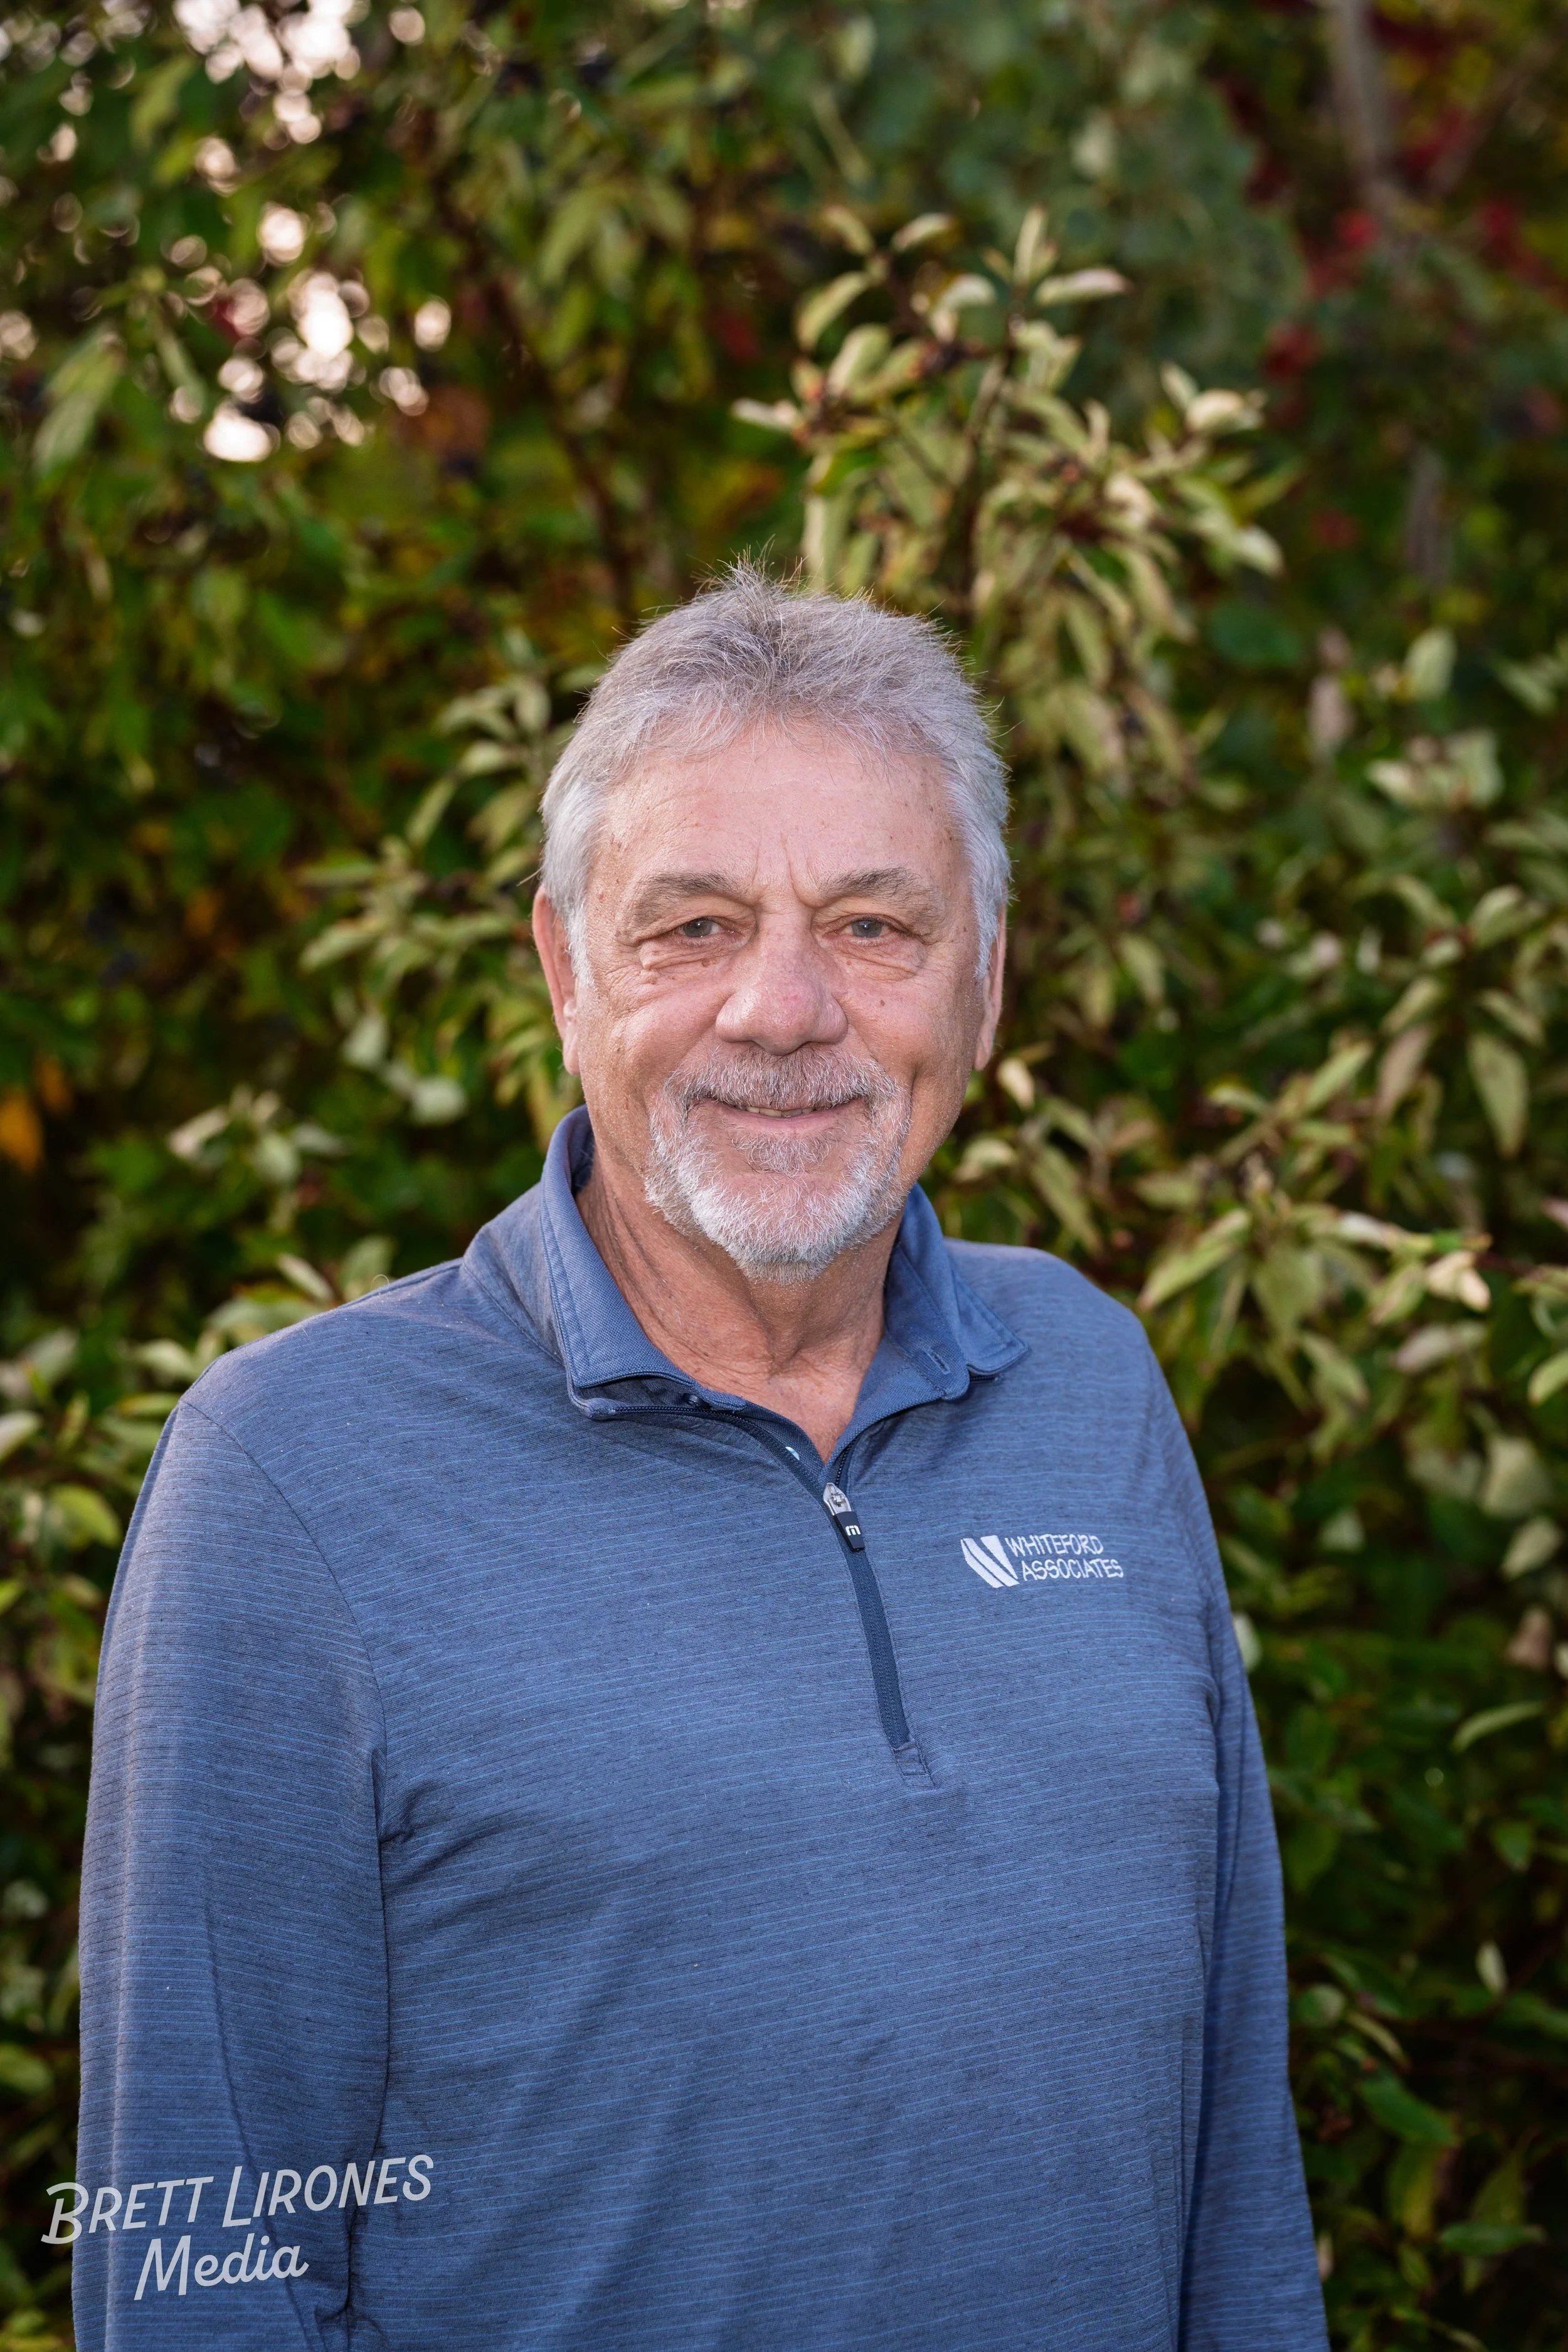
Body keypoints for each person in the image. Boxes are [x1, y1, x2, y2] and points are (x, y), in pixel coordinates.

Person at [72, 569, 1328, 2349]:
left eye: (874, 925)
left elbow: (1233, 2175)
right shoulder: (290, 1478)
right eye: (692, 926)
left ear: (981, 983)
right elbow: (196, 2259)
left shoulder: (1090, 1379)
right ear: (565, 969)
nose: (782, 1007)